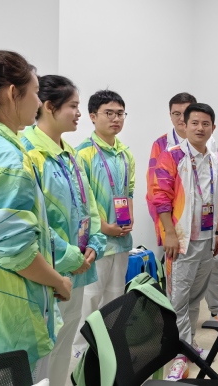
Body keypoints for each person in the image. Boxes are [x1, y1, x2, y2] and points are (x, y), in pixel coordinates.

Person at [0, 44, 72, 380]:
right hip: (6, 317)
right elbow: (16, 251)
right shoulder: (7, 159)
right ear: (12, 93)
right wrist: (58, 280)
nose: (39, 102)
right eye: (35, 92)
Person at [21, 75, 106, 385]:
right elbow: (31, 221)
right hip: (46, 271)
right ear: (48, 106)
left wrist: (94, 242)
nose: (79, 113)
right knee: (42, 352)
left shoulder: (69, 152)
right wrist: (71, 256)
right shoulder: (27, 152)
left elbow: (89, 205)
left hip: (78, 269)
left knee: (65, 344)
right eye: (73, 106)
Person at [148, 103, 218, 381]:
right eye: (195, 123)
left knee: (194, 298)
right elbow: (160, 197)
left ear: (213, 127)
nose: (200, 128)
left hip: (207, 239)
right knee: (178, 301)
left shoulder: (214, 158)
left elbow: (217, 195)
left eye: (206, 124)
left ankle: (187, 346)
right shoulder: (172, 156)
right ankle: (179, 357)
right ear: (185, 125)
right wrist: (169, 233)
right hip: (182, 240)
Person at [73, 89, 136, 357]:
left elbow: (129, 191)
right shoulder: (82, 153)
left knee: (115, 298)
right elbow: (81, 200)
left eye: (120, 113)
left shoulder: (125, 153)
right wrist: (103, 227)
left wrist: (129, 217)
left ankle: (108, 349)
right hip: (95, 243)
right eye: (108, 113)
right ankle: (80, 354)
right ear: (92, 116)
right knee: (89, 300)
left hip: (121, 240)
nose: (116, 119)